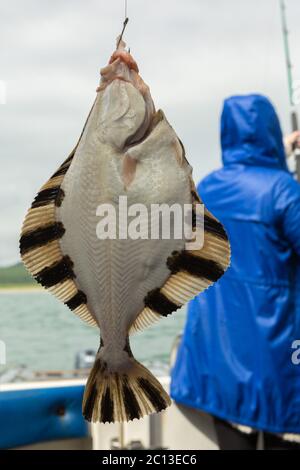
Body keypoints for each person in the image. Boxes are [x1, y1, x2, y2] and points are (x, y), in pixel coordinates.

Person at [170, 94, 300, 450]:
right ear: (271, 131)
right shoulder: (285, 192)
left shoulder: (206, 188)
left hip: (216, 363)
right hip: (274, 367)